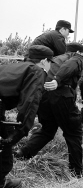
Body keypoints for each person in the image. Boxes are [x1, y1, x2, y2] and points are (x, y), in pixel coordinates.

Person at [15, 43, 83, 177]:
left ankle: (23, 153)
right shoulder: (77, 57)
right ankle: (77, 172)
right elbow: (70, 66)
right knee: (74, 133)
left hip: (44, 96)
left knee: (47, 129)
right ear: (78, 52)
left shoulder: (54, 58)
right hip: (61, 94)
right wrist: (57, 80)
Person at [0, 45, 53, 188]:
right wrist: (19, 133)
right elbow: (30, 103)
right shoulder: (37, 71)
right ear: (44, 61)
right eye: (50, 63)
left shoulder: (15, 67)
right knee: (4, 149)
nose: (50, 67)